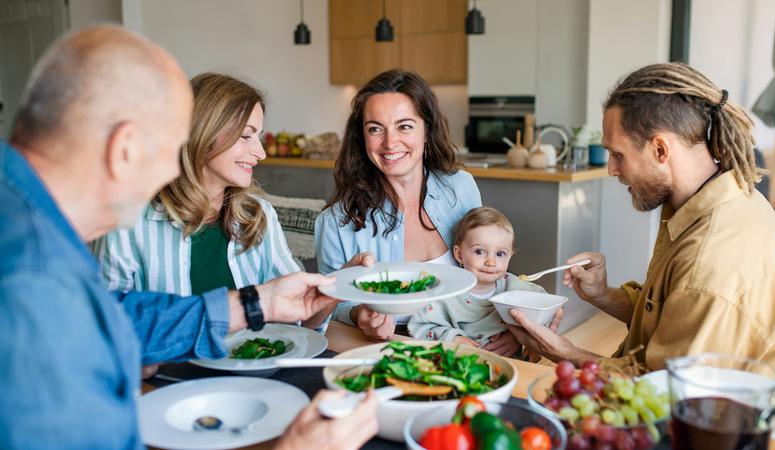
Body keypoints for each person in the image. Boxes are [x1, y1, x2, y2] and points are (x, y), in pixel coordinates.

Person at [0, 26, 377, 450]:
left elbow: (113, 317)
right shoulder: (32, 280)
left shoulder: (24, 215)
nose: (173, 172)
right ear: (125, 147)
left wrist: (258, 304)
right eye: (171, 148)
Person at [505, 62, 775, 385]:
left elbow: (661, 390)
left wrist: (564, 352)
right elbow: (671, 314)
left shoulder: (711, 260)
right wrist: (601, 294)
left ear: (660, 149)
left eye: (618, 155)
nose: (612, 170)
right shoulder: (713, 200)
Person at [93, 73, 299, 300]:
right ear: (203, 132)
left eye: (258, 138)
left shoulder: (260, 216)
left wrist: (332, 291)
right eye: (245, 136)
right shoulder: (128, 221)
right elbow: (103, 320)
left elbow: (299, 312)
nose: (261, 153)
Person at [311, 69, 482, 339]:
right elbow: (332, 304)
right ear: (362, 138)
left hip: (470, 335)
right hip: (393, 345)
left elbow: (486, 267)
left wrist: (505, 326)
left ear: (427, 131)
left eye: (404, 126)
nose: (390, 143)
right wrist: (358, 315)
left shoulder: (462, 188)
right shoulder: (334, 223)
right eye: (375, 129)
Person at [408, 207, 545, 356]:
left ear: (510, 256)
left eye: (500, 254)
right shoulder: (447, 294)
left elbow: (548, 309)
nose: (491, 262)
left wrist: (521, 337)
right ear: (459, 255)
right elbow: (419, 327)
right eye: (480, 252)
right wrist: (452, 338)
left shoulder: (515, 287)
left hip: (515, 369)